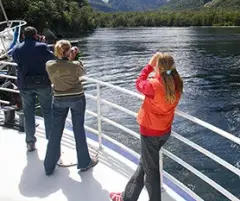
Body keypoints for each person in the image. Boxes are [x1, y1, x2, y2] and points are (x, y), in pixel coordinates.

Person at [110, 52, 183, 201]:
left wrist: (149, 65)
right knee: (144, 164)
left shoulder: (153, 86)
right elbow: (166, 78)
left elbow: (139, 83)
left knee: (151, 172)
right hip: (164, 132)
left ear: (159, 68)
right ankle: (127, 197)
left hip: (150, 133)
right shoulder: (177, 83)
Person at [44, 40, 98, 176]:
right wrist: (74, 58)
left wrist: (68, 58)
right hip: (77, 99)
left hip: (58, 99)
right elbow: (81, 72)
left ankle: (49, 165)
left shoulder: (49, 65)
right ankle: (84, 162)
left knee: (55, 131)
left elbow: (58, 70)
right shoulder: (75, 65)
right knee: (78, 129)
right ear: (69, 51)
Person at [12, 26, 55, 152]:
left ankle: (30, 142)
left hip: (25, 85)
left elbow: (15, 59)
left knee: (28, 114)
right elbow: (52, 59)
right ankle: (51, 142)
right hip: (42, 84)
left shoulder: (17, 48)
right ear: (36, 35)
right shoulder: (41, 47)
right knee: (47, 112)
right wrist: (44, 44)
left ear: (23, 36)